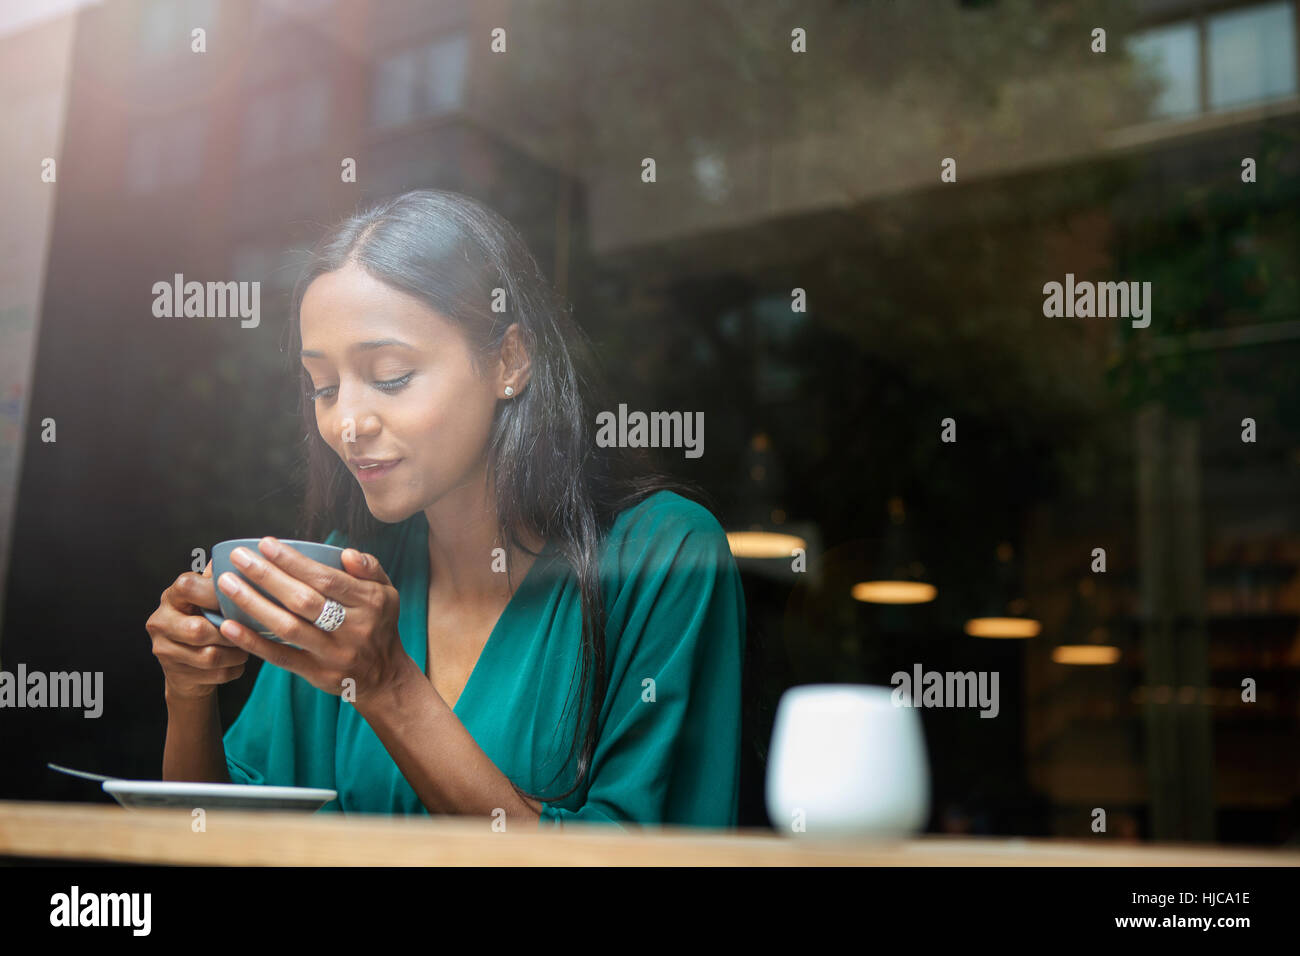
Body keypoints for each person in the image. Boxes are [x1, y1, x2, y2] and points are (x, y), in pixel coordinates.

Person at [146, 189, 747, 829]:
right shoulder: (349, 573)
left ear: (509, 361)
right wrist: (189, 696)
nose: (346, 422)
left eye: (391, 374)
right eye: (322, 386)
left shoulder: (665, 556)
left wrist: (389, 686)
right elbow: (219, 839)